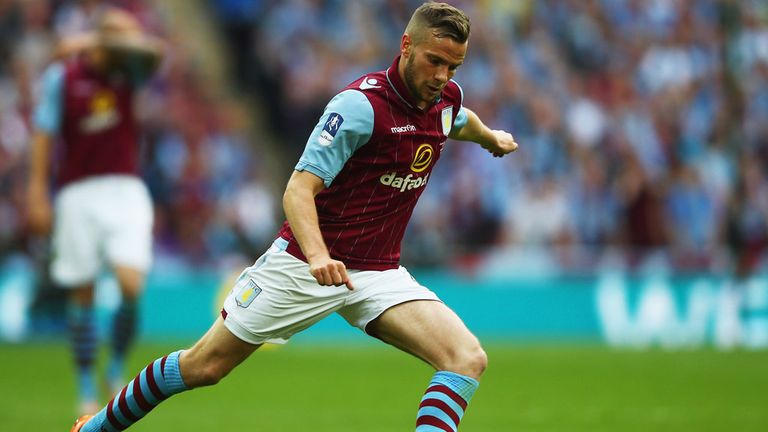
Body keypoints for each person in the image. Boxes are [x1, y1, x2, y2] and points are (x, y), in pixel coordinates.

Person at [70, 3, 518, 431]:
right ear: (405, 45)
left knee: (466, 357)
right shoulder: (360, 108)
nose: (441, 76)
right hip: (305, 264)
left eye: (452, 67)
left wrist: (489, 137)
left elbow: (457, 118)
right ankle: (94, 427)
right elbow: (298, 188)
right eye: (434, 61)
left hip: (379, 271)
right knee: (204, 366)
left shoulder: (445, 99)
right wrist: (320, 255)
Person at [26, 8, 164, 416]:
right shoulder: (63, 79)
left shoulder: (130, 71)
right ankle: (86, 383)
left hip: (125, 187)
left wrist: (98, 40)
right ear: (106, 39)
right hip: (78, 192)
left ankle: (116, 366)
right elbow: (44, 134)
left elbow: (157, 52)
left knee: (130, 283)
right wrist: (36, 190)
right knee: (82, 290)